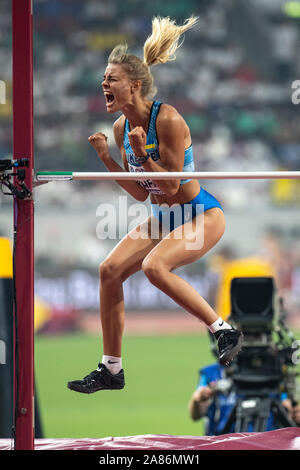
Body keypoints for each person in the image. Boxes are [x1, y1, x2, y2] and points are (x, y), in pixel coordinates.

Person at [67, 16, 243, 394]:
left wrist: (144, 155)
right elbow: (141, 193)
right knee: (109, 270)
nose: (103, 85)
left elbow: (173, 185)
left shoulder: (169, 119)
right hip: (163, 217)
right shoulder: (119, 130)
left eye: (111, 79)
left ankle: (224, 331)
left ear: (134, 85)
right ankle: (111, 369)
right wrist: (106, 159)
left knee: (153, 266)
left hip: (200, 213)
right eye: (103, 79)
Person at [189, 362, 300, 435]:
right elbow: (196, 414)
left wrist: (293, 416)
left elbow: (287, 407)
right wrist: (197, 400)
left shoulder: (275, 369)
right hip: (224, 440)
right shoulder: (211, 373)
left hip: (268, 440)